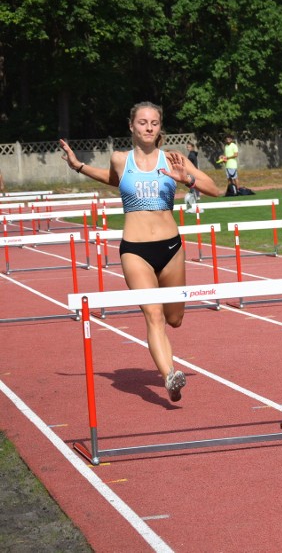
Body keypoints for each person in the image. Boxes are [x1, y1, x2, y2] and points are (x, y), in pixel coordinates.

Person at [59, 102, 220, 403]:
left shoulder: (174, 158)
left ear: (160, 127)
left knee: (175, 319)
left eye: (154, 123)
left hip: (171, 248)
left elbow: (215, 189)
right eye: (143, 122)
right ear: (131, 125)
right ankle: (170, 375)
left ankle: (169, 365)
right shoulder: (120, 159)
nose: (148, 127)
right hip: (134, 251)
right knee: (154, 315)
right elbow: (114, 179)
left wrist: (185, 178)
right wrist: (78, 165)